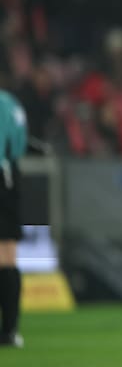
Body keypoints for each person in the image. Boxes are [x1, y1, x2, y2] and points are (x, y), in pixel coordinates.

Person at [0, 85, 27, 348]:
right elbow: (19, 143)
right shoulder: (11, 102)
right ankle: (10, 330)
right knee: (7, 255)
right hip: (11, 176)